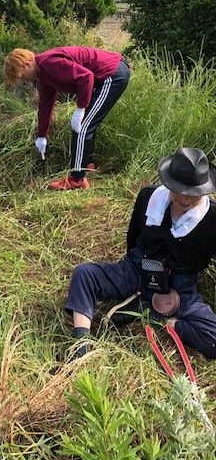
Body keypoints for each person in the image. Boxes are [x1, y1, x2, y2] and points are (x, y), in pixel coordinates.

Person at [65, 148, 216, 359]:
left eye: (194, 193)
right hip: (138, 268)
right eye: (180, 190)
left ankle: (161, 316)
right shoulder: (148, 197)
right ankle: (80, 346)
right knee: (85, 274)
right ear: (169, 183)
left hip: (180, 289)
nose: (186, 199)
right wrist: (132, 268)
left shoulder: (213, 218)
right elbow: (133, 235)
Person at [4, 46, 130, 190]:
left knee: (83, 125)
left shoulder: (48, 63)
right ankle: (86, 165)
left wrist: (80, 108)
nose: (24, 80)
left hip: (111, 73)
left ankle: (77, 179)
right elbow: (45, 105)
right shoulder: (43, 76)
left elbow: (85, 77)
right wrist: (41, 135)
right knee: (86, 123)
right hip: (109, 74)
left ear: (27, 64)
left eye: (21, 75)